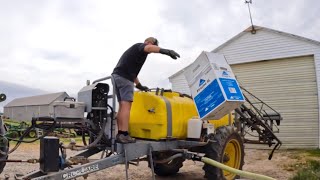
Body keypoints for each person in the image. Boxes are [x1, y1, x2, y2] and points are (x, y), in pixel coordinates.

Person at [112, 37, 180, 143]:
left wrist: (139, 86)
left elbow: (132, 74)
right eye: (154, 46)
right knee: (126, 106)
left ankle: (120, 133)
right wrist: (166, 51)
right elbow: (148, 48)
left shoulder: (135, 53)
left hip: (117, 77)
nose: (153, 51)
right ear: (150, 43)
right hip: (124, 79)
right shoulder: (141, 46)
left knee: (121, 106)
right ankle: (124, 134)